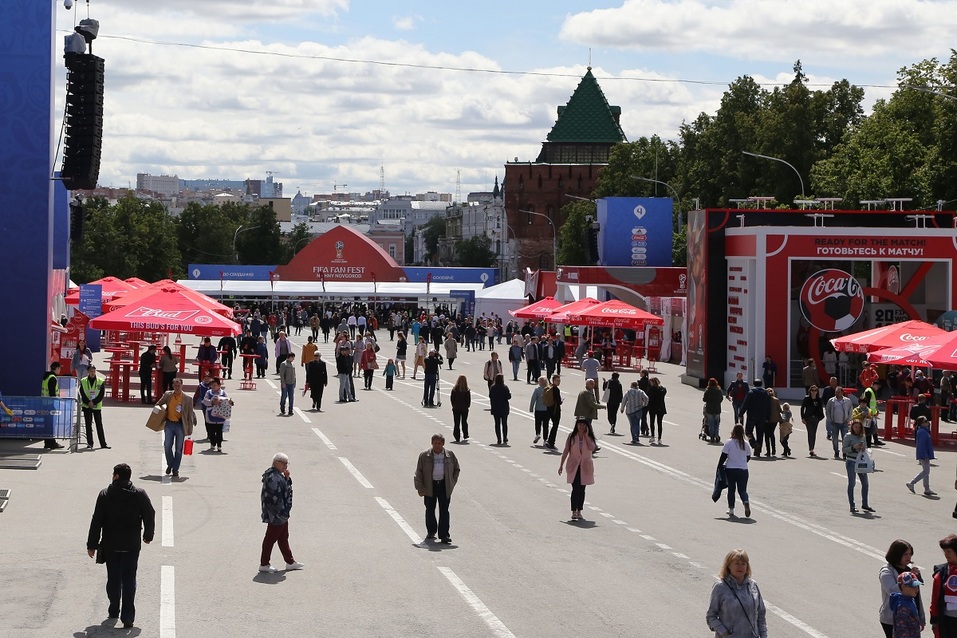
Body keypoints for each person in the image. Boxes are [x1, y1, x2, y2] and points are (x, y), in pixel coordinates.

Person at [86, 463, 155, 629]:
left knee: (113, 578)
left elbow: (97, 521)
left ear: (116, 476)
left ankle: (113, 609)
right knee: (129, 579)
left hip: (111, 544)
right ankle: (128, 616)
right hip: (131, 544)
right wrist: (147, 535)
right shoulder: (139, 494)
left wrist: (92, 544)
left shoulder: (105, 494)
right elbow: (149, 514)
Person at [706, 549, 767, 638]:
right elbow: (711, 617)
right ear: (728, 566)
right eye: (737, 563)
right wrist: (725, 633)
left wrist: (764, 635)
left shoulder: (753, 585)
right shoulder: (720, 587)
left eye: (743, 564)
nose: (740, 567)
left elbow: (761, 615)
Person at [260, 453, 304, 573]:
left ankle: (290, 562)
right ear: (277, 463)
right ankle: (264, 563)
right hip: (277, 514)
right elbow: (278, 495)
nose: (286, 466)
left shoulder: (276, 475)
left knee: (283, 537)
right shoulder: (273, 477)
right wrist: (282, 512)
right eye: (284, 464)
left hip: (280, 514)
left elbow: (283, 489)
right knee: (270, 539)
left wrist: (287, 479)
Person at [413, 433, 460, 544]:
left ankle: (444, 535)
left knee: (444, 510)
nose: (437, 445)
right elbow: (418, 472)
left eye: (439, 443)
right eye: (435, 443)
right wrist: (419, 487)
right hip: (430, 486)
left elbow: (456, 469)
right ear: (432, 443)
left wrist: (451, 483)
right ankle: (431, 531)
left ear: (443, 444)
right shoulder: (424, 456)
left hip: (444, 486)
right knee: (430, 509)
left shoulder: (449, 455)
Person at [879, 539, 925, 638]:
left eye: (910, 554)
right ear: (897, 554)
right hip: (892, 619)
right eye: (905, 554)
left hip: (911, 616)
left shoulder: (909, 569)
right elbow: (891, 591)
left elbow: (917, 596)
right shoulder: (887, 571)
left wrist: (921, 617)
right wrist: (908, 578)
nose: (909, 557)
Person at [156, 378, 196, 478]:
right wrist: (159, 412)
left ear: (182, 386)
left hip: (180, 425)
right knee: (167, 446)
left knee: (178, 449)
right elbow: (158, 404)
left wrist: (190, 428)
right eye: (175, 386)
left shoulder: (187, 399)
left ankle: (175, 469)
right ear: (173, 386)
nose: (177, 387)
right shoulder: (168, 395)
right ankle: (170, 464)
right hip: (169, 424)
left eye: (179, 386)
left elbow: (190, 415)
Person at [558, 418, 597, 521]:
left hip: (585, 467)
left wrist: (586, 436)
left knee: (582, 490)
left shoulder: (589, 437)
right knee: (576, 488)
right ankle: (573, 511)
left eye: (583, 425)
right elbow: (566, 450)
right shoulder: (572, 437)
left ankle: (579, 510)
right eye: (579, 425)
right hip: (574, 466)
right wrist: (561, 465)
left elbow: (592, 448)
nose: (581, 427)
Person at [718, 424, 753, 518]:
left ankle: (731, 509)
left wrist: (719, 466)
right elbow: (748, 457)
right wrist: (742, 463)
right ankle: (746, 502)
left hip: (731, 469)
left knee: (731, 489)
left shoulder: (729, 442)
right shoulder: (746, 443)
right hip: (743, 469)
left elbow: (723, 456)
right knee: (742, 490)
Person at [843, 417, 874, 513]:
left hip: (860, 462)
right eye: (855, 427)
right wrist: (853, 447)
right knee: (852, 483)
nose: (857, 429)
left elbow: (865, 447)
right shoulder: (848, 436)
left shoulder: (862, 436)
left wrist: (863, 448)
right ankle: (852, 505)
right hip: (851, 461)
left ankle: (865, 504)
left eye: (859, 427)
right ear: (852, 427)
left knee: (865, 483)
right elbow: (844, 449)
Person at [931, 534, 957, 636]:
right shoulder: (942, 572)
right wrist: (934, 619)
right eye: (944, 552)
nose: (946, 554)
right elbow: (935, 597)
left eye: (949, 551)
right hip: (946, 620)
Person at [79, 365, 109, 450]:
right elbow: (82, 393)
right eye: (91, 371)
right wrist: (88, 402)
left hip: (96, 406)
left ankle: (103, 444)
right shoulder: (83, 381)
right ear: (88, 371)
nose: (92, 373)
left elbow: (101, 394)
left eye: (94, 371)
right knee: (88, 425)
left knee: (99, 425)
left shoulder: (100, 381)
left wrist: (94, 402)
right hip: (87, 405)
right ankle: (90, 443)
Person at [906, 416, 936, 496]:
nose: (928, 422)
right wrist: (925, 455)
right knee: (926, 471)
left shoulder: (923, 431)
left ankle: (927, 488)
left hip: (925, 454)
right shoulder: (922, 432)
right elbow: (922, 445)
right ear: (922, 423)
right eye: (926, 421)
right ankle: (912, 482)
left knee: (926, 472)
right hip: (924, 454)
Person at [202, 377, 233, 452]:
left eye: (215, 385)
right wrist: (212, 402)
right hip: (210, 414)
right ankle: (213, 443)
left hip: (220, 415)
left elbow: (227, 400)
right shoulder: (209, 392)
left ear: (219, 385)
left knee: (219, 431)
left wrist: (230, 402)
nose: (213, 387)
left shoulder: (223, 393)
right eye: (212, 385)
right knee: (211, 431)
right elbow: (205, 401)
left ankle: (219, 445)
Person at [40, 361, 65, 449]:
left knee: (47, 424)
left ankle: (47, 442)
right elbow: (52, 393)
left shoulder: (46, 377)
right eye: (59, 368)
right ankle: (51, 442)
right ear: (56, 368)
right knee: (51, 425)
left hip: (44, 403)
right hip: (50, 404)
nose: (60, 370)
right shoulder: (52, 378)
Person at [891, 571, 923, 638]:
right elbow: (902, 629)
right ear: (903, 587)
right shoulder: (903, 606)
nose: (916, 589)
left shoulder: (910, 600)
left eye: (917, 586)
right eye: (913, 586)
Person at [827, 386, 853, 460]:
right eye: (836, 392)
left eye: (838, 392)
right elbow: (828, 411)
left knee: (845, 439)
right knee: (835, 438)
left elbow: (850, 411)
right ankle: (836, 451)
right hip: (834, 422)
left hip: (844, 423)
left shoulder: (847, 401)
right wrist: (830, 420)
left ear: (842, 392)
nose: (837, 393)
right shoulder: (831, 401)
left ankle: (845, 452)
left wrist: (848, 419)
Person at [621, 380, 648, 445]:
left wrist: (622, 408)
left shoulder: (628, 392)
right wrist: (645, 404)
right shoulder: (641, 392)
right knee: (637, 423)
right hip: (638, 410)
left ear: (632, 386)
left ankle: (634, 438)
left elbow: (624, 400)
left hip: (630, 411)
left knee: (632, 424)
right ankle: (637, 437)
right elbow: (646, 398)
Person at [801, 385, 825, 457]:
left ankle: (812, 448)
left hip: (816, 418)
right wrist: (803, 418)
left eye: (815, 391)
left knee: (814, 433)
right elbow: (802, 408)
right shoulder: (807, 399)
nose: (814, 392)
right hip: (808, 418)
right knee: (810, 432)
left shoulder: (819, 399)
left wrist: (820, 417)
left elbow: (821, 408)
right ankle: (811, 449)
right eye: (812, 390)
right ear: (810, 391)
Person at [489, 374, 512, 445]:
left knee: (497, 423)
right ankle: (505, 437)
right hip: (504, 407)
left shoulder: (492, 387)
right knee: (504, 423)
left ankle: (499, 438)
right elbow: (508, 397)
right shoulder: (505, 387)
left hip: (496, 407)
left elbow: (490, 396)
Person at [544, 374, 564, 451]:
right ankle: (551, 442)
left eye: (559, 380)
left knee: (550, 424)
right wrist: (561, 401)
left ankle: (548, 440)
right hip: (555, 410)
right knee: (555, 426)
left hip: (549, 408)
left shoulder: (549, 387)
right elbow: (558, 401)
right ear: (553, 380)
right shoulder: (556, 389)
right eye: (557, 380)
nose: (559, 382)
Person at [449, 375, 471, 443]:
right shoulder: (467, 390)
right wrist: (467, 406)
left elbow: (452, 399)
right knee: (464, 422)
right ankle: (465, 434)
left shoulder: (454, 389)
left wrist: (453, 405)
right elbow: (468, 400)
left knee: (456, 423)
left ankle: (457, 436)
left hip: (456, 408)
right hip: (464, 408)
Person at [646, 377, 668, 444]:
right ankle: (659, 438)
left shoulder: (651, 389)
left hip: (653, 407)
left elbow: (649, 397)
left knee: (652, 422)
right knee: (660, 423)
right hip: (661, 407)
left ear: (653, 382)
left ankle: (652, 436)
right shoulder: (663, 389)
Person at [703, 377, 723, 443]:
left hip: (709, 409)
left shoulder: (708, 390)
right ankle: (716, 435)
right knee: (717, 423)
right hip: (717, 409)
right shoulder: (719, 390)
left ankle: (712, 436)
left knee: (711, 423)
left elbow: (704, 399)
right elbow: (721, 399)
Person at [529, 376, 549, 444]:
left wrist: (531, 407)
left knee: (538, 423)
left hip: (538, 409)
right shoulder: (549, 389)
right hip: (547, 410)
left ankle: (538, 434)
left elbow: (533, 399)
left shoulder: (537, 390)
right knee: (546, 425)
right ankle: (545, 439)